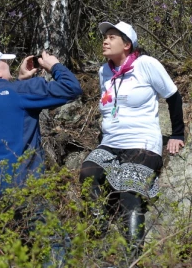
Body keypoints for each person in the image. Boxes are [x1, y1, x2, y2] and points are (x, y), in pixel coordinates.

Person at [0, 44, 82, 266]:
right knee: (57, 244)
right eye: (6, 63)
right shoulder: (20, 92)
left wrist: (20, 81)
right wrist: (54, 66)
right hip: (18, 187)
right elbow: (71, 88)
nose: (10, 66)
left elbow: (7, 107)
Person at [79, 21, 186, 255]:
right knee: (88, 172)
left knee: (129, 190)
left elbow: (173, 96)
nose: (105, 41)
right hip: (110, 143)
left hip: (142, 143)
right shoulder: (103, 71)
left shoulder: (146, 65)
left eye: (112, 37)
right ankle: (99, 228)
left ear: (127, 44)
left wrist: (177, 134)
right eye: (104, 37)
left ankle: (132, 255)